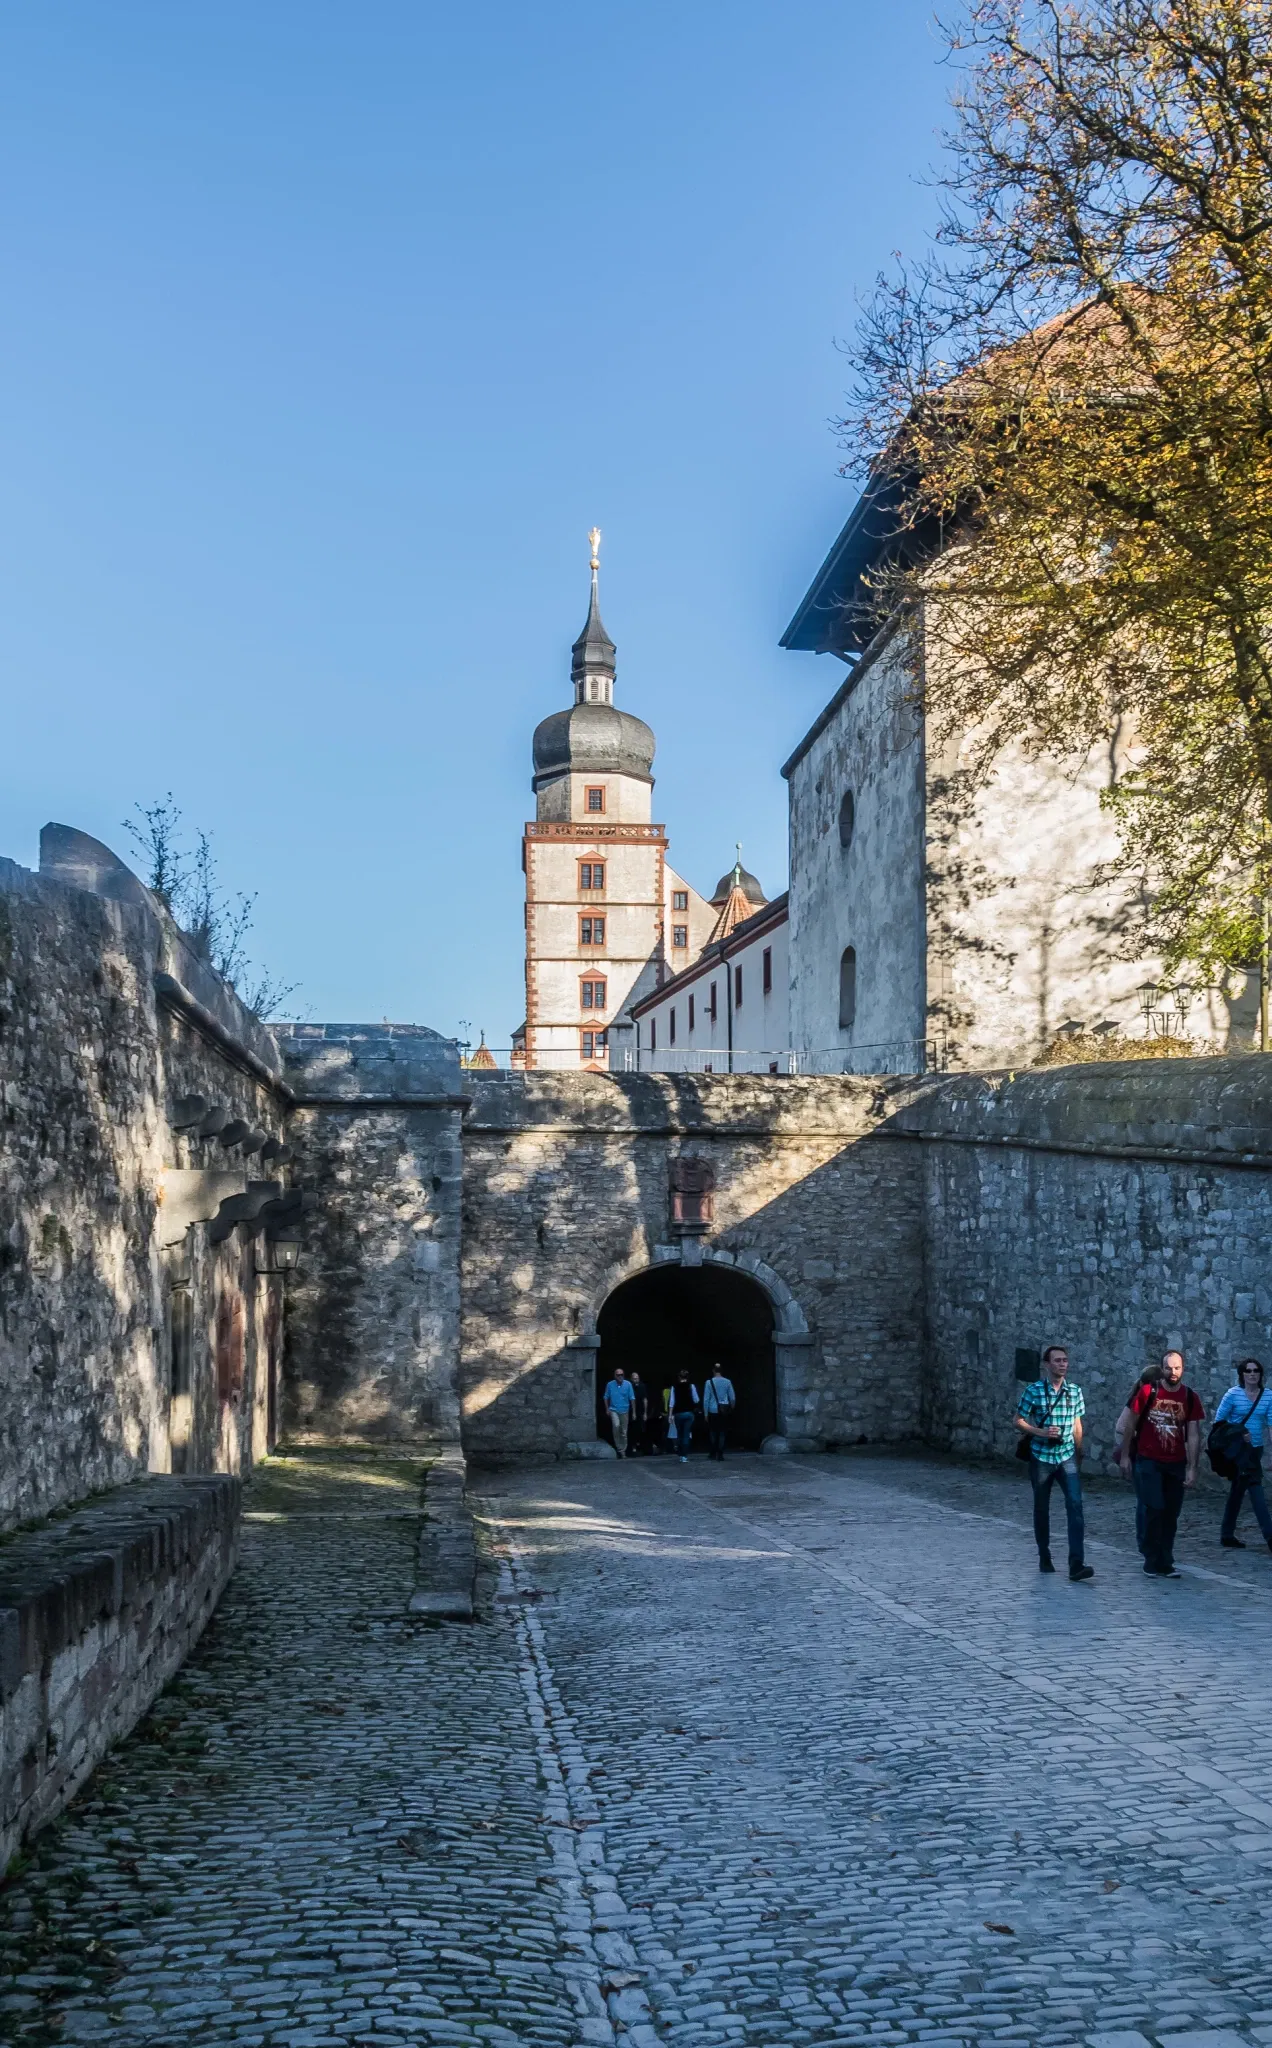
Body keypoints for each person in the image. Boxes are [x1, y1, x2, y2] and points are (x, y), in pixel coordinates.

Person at [1121, 1348, 1204, 1578]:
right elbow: (1130, 1424)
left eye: (1177, 1368)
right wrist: (1126, 1456)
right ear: (1162, 1368)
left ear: (1183, 1369)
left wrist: (1192, 1467)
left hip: (1176, 1462)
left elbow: (1194, 1433)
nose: (1173, 1372)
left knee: (1171, 1513)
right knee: (1154, 1508)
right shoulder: (1149, 1392)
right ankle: (1151, 1557)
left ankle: (1165, 1560)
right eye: (1169, 1367)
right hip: (1149, 1461)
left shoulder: (1189, 1397)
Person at [1014, 1344, 1094, 1581]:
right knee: (1042, 1507)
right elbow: (1018, 1420)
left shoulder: (1075, 1391)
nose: (1062, 1364)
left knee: (1075, 1506)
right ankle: (1044, 1553)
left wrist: (1079, 1452)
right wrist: (1040, 1432)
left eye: (1065, 1361)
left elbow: (1077, 1424)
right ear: (1047, 1364)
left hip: (1066, 1455)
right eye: (1057, 1361)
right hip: (1041, 1457)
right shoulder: (1034, 1391)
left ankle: (1076, 1564)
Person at [1215, 1357, 1272, 1550]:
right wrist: (1239, 1433)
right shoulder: (1232, 1395)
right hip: (1238, 1452)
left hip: (1255, 1449)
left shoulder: (1268, 1396)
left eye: (1256, 1370)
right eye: (1248, 1371)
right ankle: (1270, 1537)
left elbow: (1271, 1426)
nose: (1252, 1374)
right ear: (1242, 1374)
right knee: (1256, 1490)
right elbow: (1219, 1424)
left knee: (1238, 1491)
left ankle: (1226, 1534)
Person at [1113, 1366, 1160, 1555]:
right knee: (1144, 1500)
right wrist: (1143, 1435)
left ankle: (1152, 1539)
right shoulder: (1137, 1399)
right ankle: (1144, 1541)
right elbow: (1121, 1427)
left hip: (1156, 1456)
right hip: (1139, 1454)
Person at [703, 1365, 736, 1461]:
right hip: (724, 1410)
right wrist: (732, 1407)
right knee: (722, 1432)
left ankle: (713, 1451)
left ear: (713, 1370)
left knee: (713, 1432)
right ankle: (720, 1453)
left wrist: (705, 1413)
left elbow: (706, 1399)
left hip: (712, 1410)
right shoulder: (727, 1382)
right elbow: (732, 1397)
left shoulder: (709, 1382)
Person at [603, 1367, 636, 1458]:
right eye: (618, 1375)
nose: (620, 1376)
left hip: (625, 1410)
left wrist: (634, 1412)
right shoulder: (610, 1385)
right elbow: (606, 1397)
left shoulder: (628, 1384)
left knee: (624, 1432)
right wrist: (607, 1409)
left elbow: (632, 1398)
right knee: (616, 1426)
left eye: (622, 1374)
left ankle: (623, 1450)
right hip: (614, 1410)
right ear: (615, 1376)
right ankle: (619, 1448)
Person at [667, 1369, 699, 1463]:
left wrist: (670, 1415)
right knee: (686, 1434)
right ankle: (684, 1455)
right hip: (689, 1413)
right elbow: (696, 1399)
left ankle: (680, 1453)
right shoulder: (691, 1386)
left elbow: (671, 1402)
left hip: (678, 1413)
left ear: (679, 1377)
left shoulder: (674, 1387)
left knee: (679, 1434)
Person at [628, 1371, 652, 1456]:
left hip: (640, 1411)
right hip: (630, 1411)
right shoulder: (629, 1386)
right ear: (631, 1379)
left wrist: (645, 1413)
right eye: (634, 1379)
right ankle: (632, 1446)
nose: (636, 1380)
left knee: (641, 1428)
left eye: (637, 1378)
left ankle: (640, 1445)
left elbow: (645, 1399)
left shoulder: (642, 1386)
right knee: (632, 1429)